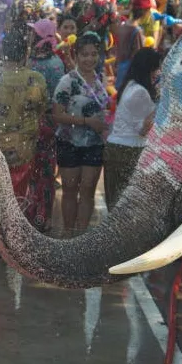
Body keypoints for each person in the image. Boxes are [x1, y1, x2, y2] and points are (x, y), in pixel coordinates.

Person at [0, 30, 48, 224]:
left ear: (1, 53)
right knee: (15, 199)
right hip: (22, 151)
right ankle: (10, 243)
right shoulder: (36, 80)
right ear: (25, 54)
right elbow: (42, 110)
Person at [52, 32, 109, 235]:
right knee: (69, 191)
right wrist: (86, 122)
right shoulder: (67, 81)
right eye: (85, 54)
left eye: (94, 54)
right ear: (76, 56)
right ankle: (69, 235)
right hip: (69, 142)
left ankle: (82, 236)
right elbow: (57, 115)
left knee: (88, 191)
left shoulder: (102, 79)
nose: (90, 59)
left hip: (94, 144)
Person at [103, 48, 160, 211]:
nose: (158, 72)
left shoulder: (130, 85)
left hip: (118, 148)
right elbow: (143, 129)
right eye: (156, 68)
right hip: (129, 150)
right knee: (126, 208)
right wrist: (158, 106)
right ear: (148, 69)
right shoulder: (140, 93)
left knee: (115, 205)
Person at [27, 19, 67, 232]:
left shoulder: (43, 62)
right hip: (42, 124)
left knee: (38, 170)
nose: (31, 36)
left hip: (39, 124)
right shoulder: (55, 62)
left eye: (35, 33)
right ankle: (40, 215)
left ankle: (38, 215)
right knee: (43, 171)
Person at [111, 0, 149, 88]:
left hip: (120, 69)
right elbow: (138, 56)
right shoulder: (137, 31)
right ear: (145, 12)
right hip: (130, 75)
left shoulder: (123, 26)